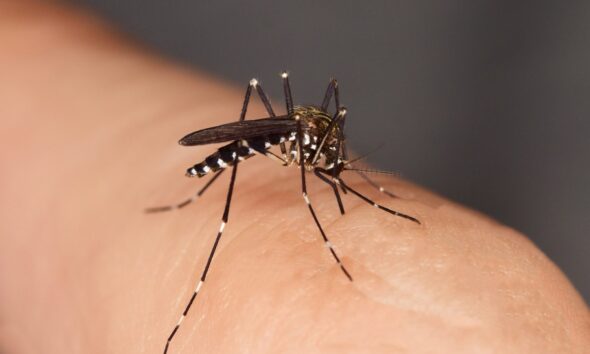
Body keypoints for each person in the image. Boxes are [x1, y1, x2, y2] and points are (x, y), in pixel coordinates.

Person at [0, 2, 588, 353]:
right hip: (247, 135)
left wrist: (371, 190)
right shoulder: (301, 141)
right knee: (253, 129)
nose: (331, 171)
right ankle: (211, 222)